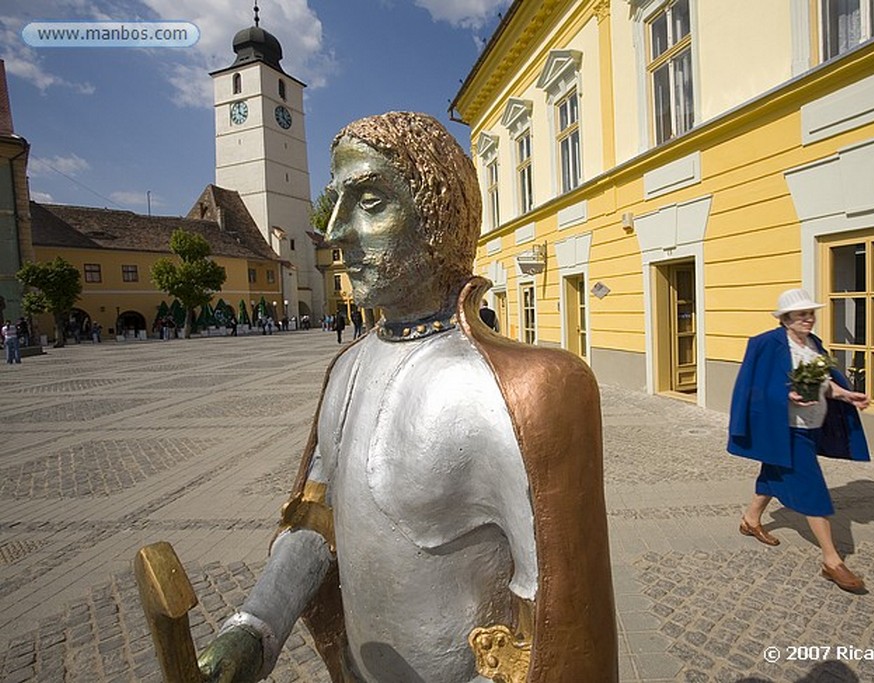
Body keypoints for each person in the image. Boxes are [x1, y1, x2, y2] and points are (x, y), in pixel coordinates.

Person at [195, 112, 616, 683]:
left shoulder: (529, 389)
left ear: (438, 220)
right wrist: (253, 628)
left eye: (370, 203)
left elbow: (556, 619)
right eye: (338, 203)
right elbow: (318, 526)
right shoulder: (344, 370)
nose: (338, 231)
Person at [727, 288, 872, 593]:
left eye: (811, 314)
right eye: (801, 315)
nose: (808, 319)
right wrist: (786, 395)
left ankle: (750, 520)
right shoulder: (765, 344)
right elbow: (751, 388)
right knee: (812, 488)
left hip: (812, 424)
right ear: (786, 319)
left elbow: (824, 384)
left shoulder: (814, 344)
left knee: (773, 472)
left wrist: (846, 395)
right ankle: (832, 561)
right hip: (786, 428)